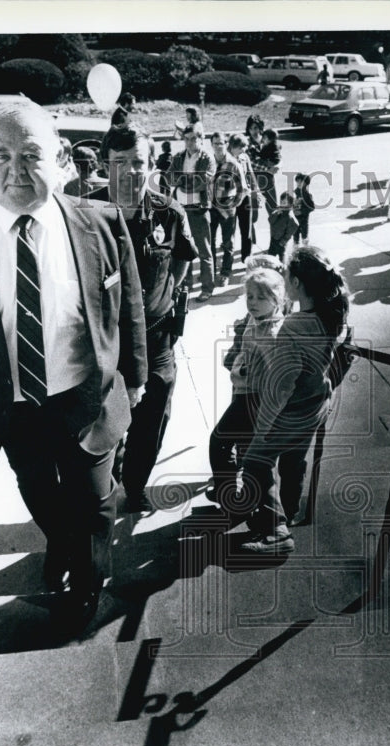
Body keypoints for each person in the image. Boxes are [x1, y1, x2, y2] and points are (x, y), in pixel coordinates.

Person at [0, 100, 149, 636]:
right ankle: (61, 544)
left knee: (95, 503)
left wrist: (137, 376)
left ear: (60, 158)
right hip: (8, 409)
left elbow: (128, 304)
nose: (15, 170)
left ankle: (87, 582)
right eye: (0, 156)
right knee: (37, 490)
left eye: (31, 155)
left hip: (85, 398)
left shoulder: (101, 220)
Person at [94, 124, 199, 513]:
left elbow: (181, 263)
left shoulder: (168, 212)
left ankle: (134, 486)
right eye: (120, 162)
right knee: (102, 423)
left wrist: (159, 298)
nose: (130, 171)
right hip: (104, 343)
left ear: (151, 164)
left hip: (156, 340)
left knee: (153, 420)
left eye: (138, 162)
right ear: (106, 165)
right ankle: (102, 489)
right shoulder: (86, 213)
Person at [237, 245, 351, 552]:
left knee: (255, 461)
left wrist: (262, 427)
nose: (283, 277)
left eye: (286, 273)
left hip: (293, 410)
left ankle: (278, 533)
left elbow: (281, 386)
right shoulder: (332, 314)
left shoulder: (293, 327)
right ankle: (288, 512)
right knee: (293, 462)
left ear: (297, 283)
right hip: (316, 406)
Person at [208, 266, 288, 509]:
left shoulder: (271, 333)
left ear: (277, 300)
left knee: (221, 441)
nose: (253, 303)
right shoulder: (258, 319)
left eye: (261, 298)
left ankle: (231, 497)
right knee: (232, 445)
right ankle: (232, 494)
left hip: (256, 400)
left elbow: (280, 377)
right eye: (250, 297)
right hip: (245, 394)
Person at [169, 124, 216, 301]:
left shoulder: (207, 158)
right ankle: (185, 284)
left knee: (204, 250)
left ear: (201, 139)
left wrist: (183, 181)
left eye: (193, 139)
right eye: (186, 139)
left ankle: (207, 288)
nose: (189, 142)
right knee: (183, 249)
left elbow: (203, 182)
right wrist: (187, 180)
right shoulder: (179, 157)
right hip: (180, 209)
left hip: (198, 209)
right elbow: (169, 178)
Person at [209, 130, 248, 286]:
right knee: (209, 242)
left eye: (221, 143)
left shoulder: (233, 164)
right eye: (215, 143)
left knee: (228, 243)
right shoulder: (208, 162)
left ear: (226, 144)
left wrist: (233, 205)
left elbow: (243, 189)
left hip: (227, 211)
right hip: (211, 209)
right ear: (211, 145)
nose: (219, 146)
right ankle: (210, 272)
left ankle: (225, 273)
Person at [230, 133, 259, 263]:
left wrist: (255, 192)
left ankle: (246, 258)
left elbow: (251, 175)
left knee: (246, 229)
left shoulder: (244, 157)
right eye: (241, 148)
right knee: (229, 231)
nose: (244, 151)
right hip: (230, 198)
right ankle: (228, 259)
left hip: (245, 197)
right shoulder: (225, 158)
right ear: (233, 147)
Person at [254, 127, 282, 214]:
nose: (263, 139)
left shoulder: (268, 147)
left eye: (264, 137)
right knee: (271, 200)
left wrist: (254, 151)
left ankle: (275, 219)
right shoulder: (276, 145)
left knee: (271, 201)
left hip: (265, 172)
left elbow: (261, 156)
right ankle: (274, 218)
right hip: (267, 173)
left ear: (269, 139)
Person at [268, 191, 300, 257]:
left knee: (282, 258)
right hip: (273, 239)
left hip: (281, 243)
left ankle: (283, 266)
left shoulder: (289, 216)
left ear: (290, 204)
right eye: (281, 202)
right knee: (270, 257)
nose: (282, 204)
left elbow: (294, 227)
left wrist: (283, 241)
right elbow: (270, 220)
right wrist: (276, 213)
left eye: (284, 203)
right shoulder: (277, 211)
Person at [293, 172, 316, 244]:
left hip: (303, 219)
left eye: (301, 182)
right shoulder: (295, 192)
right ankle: (295, 245)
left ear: (306, 184)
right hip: (295, 218)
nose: (298, 184)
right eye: (297, 182)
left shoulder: (306, 195)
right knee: (295, 232)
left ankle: (305, 247)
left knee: (304, 235)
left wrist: (302, 211)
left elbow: (312, 207)